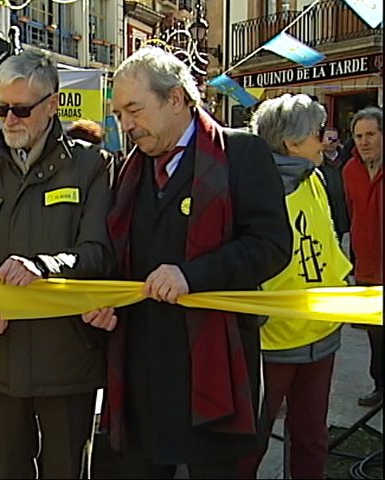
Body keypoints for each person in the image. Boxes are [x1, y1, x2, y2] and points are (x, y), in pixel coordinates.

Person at [83, 46, 292, 478]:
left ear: (175, 98)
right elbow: (122, 254)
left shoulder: (241, 154)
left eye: (134, 110)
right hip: (143, 373)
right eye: (120, 113)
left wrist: (192, 276)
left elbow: (271, 245)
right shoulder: (130, 169)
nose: (126, 125)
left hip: (215, 372)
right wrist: (105, 299)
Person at [0, 49, 116, 479]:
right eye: (1, 108)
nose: (9, 120)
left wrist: (44, 266)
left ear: (53, 104)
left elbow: (98, 252)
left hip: (68, 357)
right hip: (0, 355)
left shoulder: (91, 167)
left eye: (21, 109)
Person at [238, 94, 352, 478]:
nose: (325, 140)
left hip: (322, 332)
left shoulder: (315, 178)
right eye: (318, 133)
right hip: (272, 343)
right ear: (291, 142)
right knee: (249, 443)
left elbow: (329, 244)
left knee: (311, 437)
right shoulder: (251, 188)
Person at [342, 106, 383, 407]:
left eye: (371, 134)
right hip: (366, 268)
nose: (364, 141)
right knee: (376, 337)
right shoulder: (349, 171)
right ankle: (380, 387)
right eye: (359, 136)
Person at [319, 125, 350, 241]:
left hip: (342, 213)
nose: (331, 142)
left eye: (334, 139)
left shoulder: (345, 160)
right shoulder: (317, 162)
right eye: (328, 138)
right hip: (325, 212)